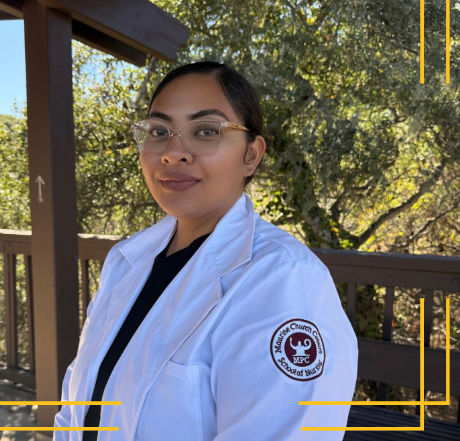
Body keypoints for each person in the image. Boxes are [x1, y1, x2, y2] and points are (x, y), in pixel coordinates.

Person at [53, 61, 358, 441]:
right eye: (159, 131)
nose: (173, 152)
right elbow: (76, 406)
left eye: (206, 131)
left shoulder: (285, 282)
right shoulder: (124, 262)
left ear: (251, 155)